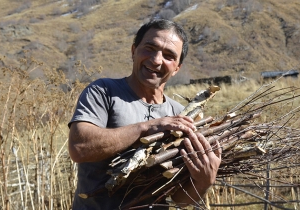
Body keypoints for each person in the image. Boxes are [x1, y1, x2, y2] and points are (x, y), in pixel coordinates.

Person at [68, 19, 221, 210]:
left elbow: (179, 199)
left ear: (177, 68)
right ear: (133, 51)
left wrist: (203, 181)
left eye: (169, 56)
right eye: (150, 48)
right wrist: (147, 127)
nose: (156, 60)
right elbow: (80, 147)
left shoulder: (181, 115)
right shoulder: (103, 91)